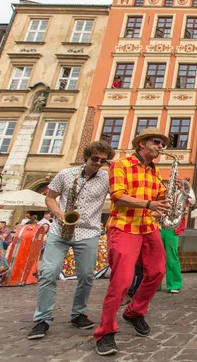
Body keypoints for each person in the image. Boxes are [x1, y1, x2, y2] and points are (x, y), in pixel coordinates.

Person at [93, 127, 173, 356]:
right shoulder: (121, 164)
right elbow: (118, 195)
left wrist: (171, 199)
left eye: (162, 144)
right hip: (124, 227)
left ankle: (134, 312)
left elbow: (159, 198)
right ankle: (105, 331)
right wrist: (148, 205)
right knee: (122, 281)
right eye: (157, 142)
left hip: (148, 226)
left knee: (157, 272)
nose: (160, 147)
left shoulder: (154, 171)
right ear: (142, 144)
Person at [27, 141, 115, 341]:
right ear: (86, 157)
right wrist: (59, 215)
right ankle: (42, 319)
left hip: (88, 232)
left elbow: (121, 194)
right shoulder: (66, 174)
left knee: (86, 276)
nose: (98, 163)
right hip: (60, 230)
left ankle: (78, 313)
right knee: (48, 273)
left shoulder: (107, 178)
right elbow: (50, 198)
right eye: (95, 159)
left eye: (102, 161)